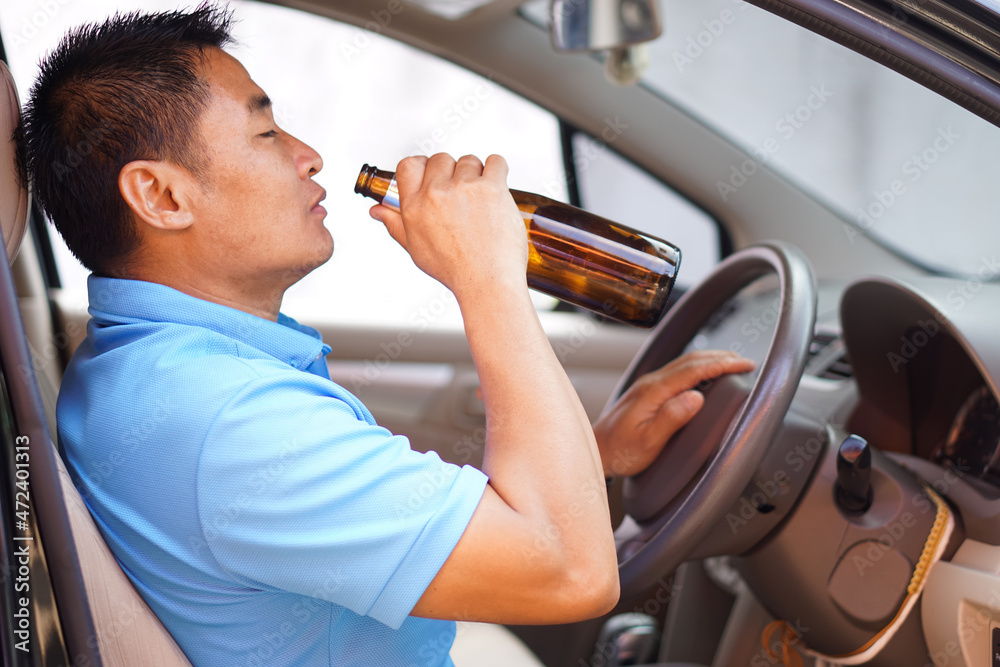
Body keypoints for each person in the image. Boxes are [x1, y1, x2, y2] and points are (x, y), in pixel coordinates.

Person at [17, 4, 754, 666]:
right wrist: (487, 279)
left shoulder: (148, 364)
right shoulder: (225, 418)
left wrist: (593, 455)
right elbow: (574, 572)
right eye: (267, 131)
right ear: (162, 195)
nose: (308, 155)